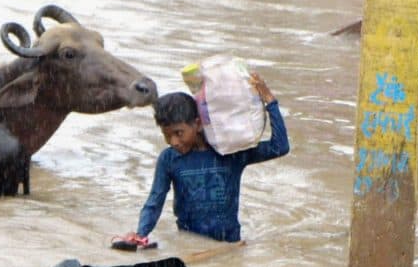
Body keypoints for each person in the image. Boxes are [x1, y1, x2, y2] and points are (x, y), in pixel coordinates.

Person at [115, 72, 289, 250]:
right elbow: (155, 201)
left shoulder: (230, 153)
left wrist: (270, 101)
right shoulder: (169, 159)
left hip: (230, 246)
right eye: (166, 135)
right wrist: (140, 234)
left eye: (178, 133)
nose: (173, 141)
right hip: (189, 245)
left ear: (197, 124)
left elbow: (280, 146)